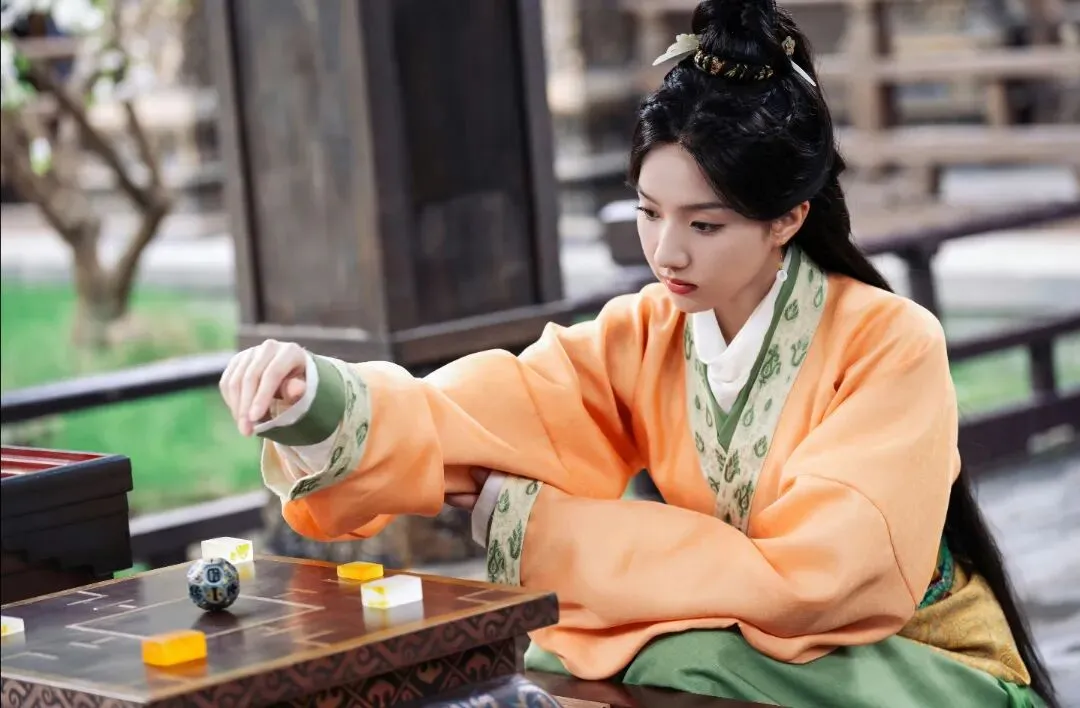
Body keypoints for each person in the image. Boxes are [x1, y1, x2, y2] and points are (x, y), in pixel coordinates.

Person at [218, 1, 1058, 705]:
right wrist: (316, 398)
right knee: (584, 651)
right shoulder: (649, 331)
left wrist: (541, 526)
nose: (667, 252)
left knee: (642, 653)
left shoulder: (890, 343)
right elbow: (497, 409)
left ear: (789, 218)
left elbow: (817, 582)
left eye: (705, 224)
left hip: (907, 663)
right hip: (746, 643)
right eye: (649, 212)